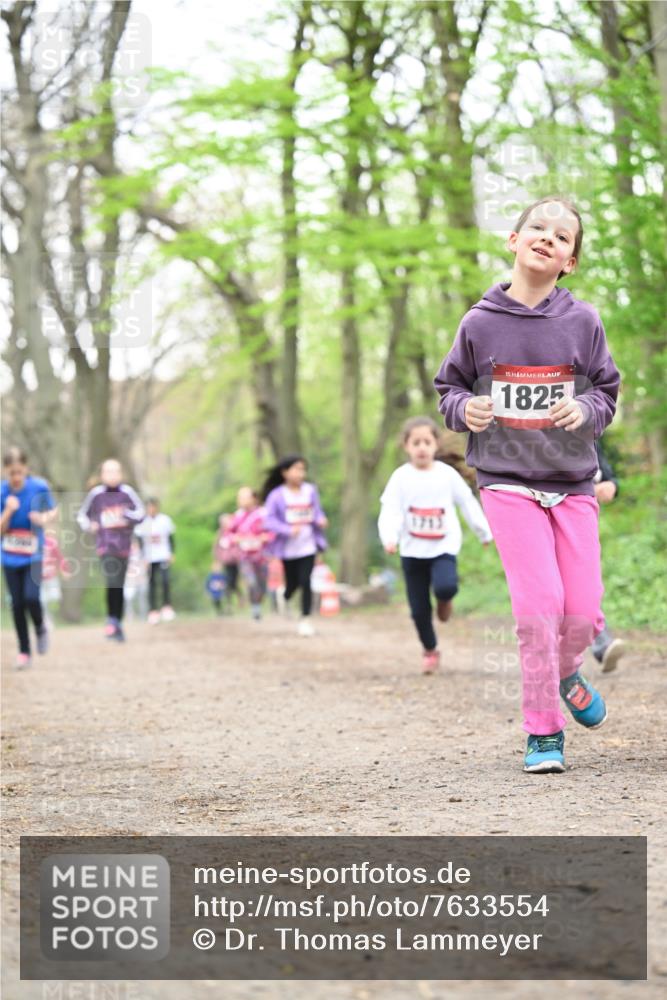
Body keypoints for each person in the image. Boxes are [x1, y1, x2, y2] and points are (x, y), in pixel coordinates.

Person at [434, 196, 620, 774]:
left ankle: (566, 671)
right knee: (538, 608)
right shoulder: (479, 322)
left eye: (563, 237)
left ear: (570, 262)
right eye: (537, 227)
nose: (548, 237)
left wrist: (585, 409)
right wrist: (465, 409)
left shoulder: (583, 322)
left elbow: (606, 392)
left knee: (582, 611)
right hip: (506, 481)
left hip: (572, 482)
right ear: (513, 241)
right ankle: (543, 731)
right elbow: (449, 390)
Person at [378, 417, 492, 674]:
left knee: (446, 586)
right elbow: (390, 510)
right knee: (419, 610)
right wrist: (389, 537)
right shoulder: (400, 477)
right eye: (416, 442)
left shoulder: (446, 475)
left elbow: (467, 502)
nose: (421, 447)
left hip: (443, 547)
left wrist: (483, 532)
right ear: (406, 446)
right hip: (412, 550)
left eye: (426, 442)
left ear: (436, 445)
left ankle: (444, 601)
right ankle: (430, 650)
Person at [1, 447, 58, 668]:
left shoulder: (39, 487)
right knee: (16, 604)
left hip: (34, 553)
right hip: (9, 555)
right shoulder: (2, 492)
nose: (16, 477)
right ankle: (24, 651)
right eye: (12, 473)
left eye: (20, 471)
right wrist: (8, 511)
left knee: (32, 598)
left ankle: (40, 626)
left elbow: (53, 511)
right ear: (5, 470)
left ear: (26, 468)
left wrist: (43, 519)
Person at [77, 458, 145, 642]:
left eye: (116, 471)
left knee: (119, 585)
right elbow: (82, 516)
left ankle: (117, 623)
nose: (112, 475)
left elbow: (141, 514)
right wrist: (90, 525)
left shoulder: (127, 492)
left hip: (124, 547)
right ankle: (111, 620)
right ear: (102, 475)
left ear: (121, 474)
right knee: (112, 580)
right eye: (108, 471)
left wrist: (125, 514)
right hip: (105, 546)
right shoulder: (96, 494)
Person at [262, 455, 328, 637]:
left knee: (306, 581)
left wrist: (320, 520)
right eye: (297, 469)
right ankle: (285, 595)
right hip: (287, 549)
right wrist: (288, 530)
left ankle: (305, 619)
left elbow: (316, 512)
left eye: (303, 469)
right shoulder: (277, 495)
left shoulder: (310, 490)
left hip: (308, 545)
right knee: (293, 583)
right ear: (285, 472)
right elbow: (269, 521)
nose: (301, 473)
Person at [590, 439, 626, 672]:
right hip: (543, 511)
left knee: (584, 580)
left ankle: (601, 643)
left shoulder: (589, 426)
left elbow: (604, 471)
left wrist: (611, 484)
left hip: (583, 514)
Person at [224, 487, 271, 621]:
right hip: (245, 557)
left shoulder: (263, 514)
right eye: (239, 498)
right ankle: (255, 609)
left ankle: (258, 603)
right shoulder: (237, 516)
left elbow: (272, 532)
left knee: (262, 586)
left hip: (262, 556)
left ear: (254, 498)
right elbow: (228, 535)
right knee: (251, 582)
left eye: (245, 497)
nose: (241, 501)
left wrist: (265, 537)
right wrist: (236, 539)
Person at [134, 497, 176, 624]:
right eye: (149, 507)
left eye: (153, 506)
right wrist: (143, 558)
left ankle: (167, 607)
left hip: (163, 555)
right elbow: (140, 542)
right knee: (152, 584)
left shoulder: (165, 520)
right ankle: (153, 611)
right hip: (149, 558)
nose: (151, 509)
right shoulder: (142, 522)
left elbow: (171, 538)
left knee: (165, 580)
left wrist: (171, 553)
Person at [41, 529, 72, 627]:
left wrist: (65, 570)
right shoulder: (34, 540)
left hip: (51, 576)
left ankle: (52, 616)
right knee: (42, 600)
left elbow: (60, 557)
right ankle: (46, 619)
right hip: (39, 578)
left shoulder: (51, 543)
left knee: (55, 597)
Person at [212, 514, 242, 611]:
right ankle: (229, 603)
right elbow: (216, 547)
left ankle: (239, 597)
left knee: (234, 582)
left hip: (236, 560)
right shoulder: (220, 533)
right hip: (226, 561)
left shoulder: (235, 531)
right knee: (228, 582)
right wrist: (217, 560)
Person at [123, 537, 149, 621]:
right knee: (129, 599)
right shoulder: (126, 556)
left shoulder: (143, 555)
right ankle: (129, 615)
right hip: (130, 580)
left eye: (135, 544)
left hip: (142, 579)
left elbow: (146, 566)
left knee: (142, 598)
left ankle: (143, 616)